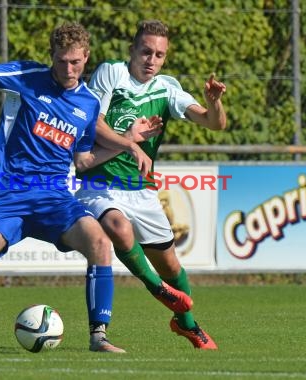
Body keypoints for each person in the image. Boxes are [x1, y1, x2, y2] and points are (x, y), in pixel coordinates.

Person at [0, 22, 154, 353]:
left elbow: (84, 160)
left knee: (100, 243)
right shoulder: (27, 75)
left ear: (86, 58)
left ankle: (98, 336)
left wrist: (128, 143)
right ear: (52, 57)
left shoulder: (88, 104)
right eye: (61, 61)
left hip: (55, 198)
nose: (68, 68)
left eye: (75, 62)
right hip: (9, 192)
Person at [75, 19, 227, 350]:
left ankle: (187, 325)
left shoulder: (166, 88)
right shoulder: (112, 73)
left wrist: (214, 101)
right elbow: (93, 122)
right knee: (117, 226)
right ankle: (156, 287)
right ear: (132, 50)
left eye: (159, 54)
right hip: (98, 184)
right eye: (145, 51)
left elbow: (214, 124)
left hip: (141, 191)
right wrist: (129, 142)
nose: (151, 60)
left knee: (172, 265)